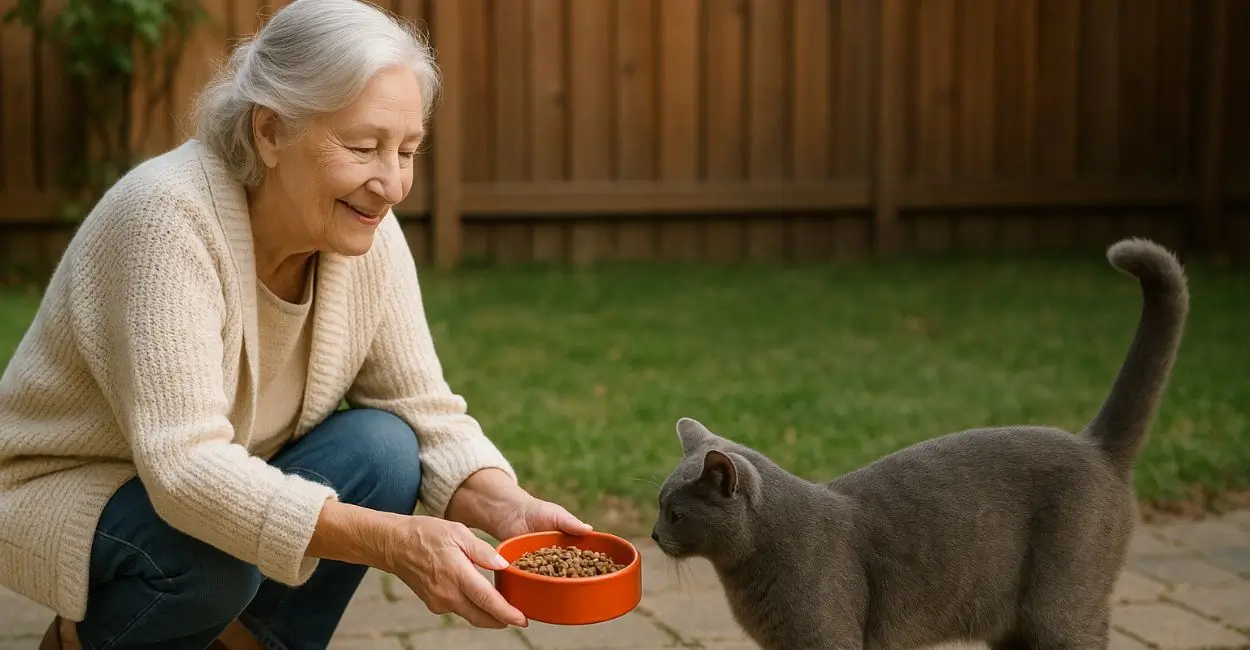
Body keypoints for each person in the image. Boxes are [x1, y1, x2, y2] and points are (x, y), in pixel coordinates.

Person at [0, 0, 593, 647]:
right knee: (215, 561)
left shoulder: (362, 230)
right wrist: (393, 542)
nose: (393, 184)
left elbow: (422, 410)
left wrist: (509, 507)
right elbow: (186, 470)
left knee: (384, 448)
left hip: (211, 475)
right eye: (364, 147)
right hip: (66, 484)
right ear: (270, 132)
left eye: (407, 150)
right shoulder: (164, 217)